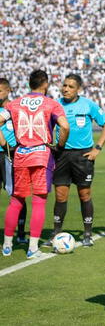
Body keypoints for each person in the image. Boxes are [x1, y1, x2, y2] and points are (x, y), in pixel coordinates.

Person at [0, 70, 69, 259]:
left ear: (29, 83)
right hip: (41, 154)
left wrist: (5, 143)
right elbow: (65, 126)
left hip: (21, 154)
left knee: (16, 201)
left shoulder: (15, 104)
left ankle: (7, 246)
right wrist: (59, 145)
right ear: (45, 84)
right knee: (39, 201)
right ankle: (32, 248)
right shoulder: (51, 104)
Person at [43, 74, 105, 247]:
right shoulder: (55, 104)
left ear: (78, 89)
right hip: (61, 155)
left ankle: (87, 233)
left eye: (70, 86)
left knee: (84, 194)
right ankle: (56, 233)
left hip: (83, 156)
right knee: (60, 196)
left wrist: (98, 148)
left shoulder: (88, 104)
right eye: (64, 85)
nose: (66, 89)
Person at [0, 78, 26, 244]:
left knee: (18, 195)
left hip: (11, 156)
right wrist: (3, 142)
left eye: (0, 90)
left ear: (8, 90)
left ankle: (21, 232)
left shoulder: (16, 108)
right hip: (3, 151)